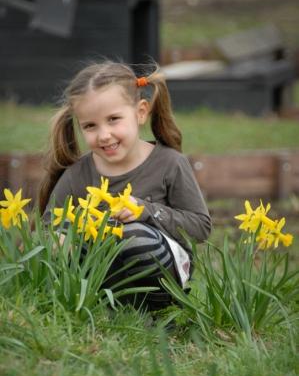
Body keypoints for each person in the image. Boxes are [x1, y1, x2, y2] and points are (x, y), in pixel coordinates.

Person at [38, 60, 211, 311]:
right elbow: (46, 230)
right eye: (90, 126)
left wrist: (145, 211)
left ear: (141, 112)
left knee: (133, 237)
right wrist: (64, 237)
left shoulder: (170, 163)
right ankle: (94, 305)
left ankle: (155, 308)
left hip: (162, 273)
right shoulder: (78, 173)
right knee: (64, 230)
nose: (104, 134)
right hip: (99, 277)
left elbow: (201, 227)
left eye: (113, 119)